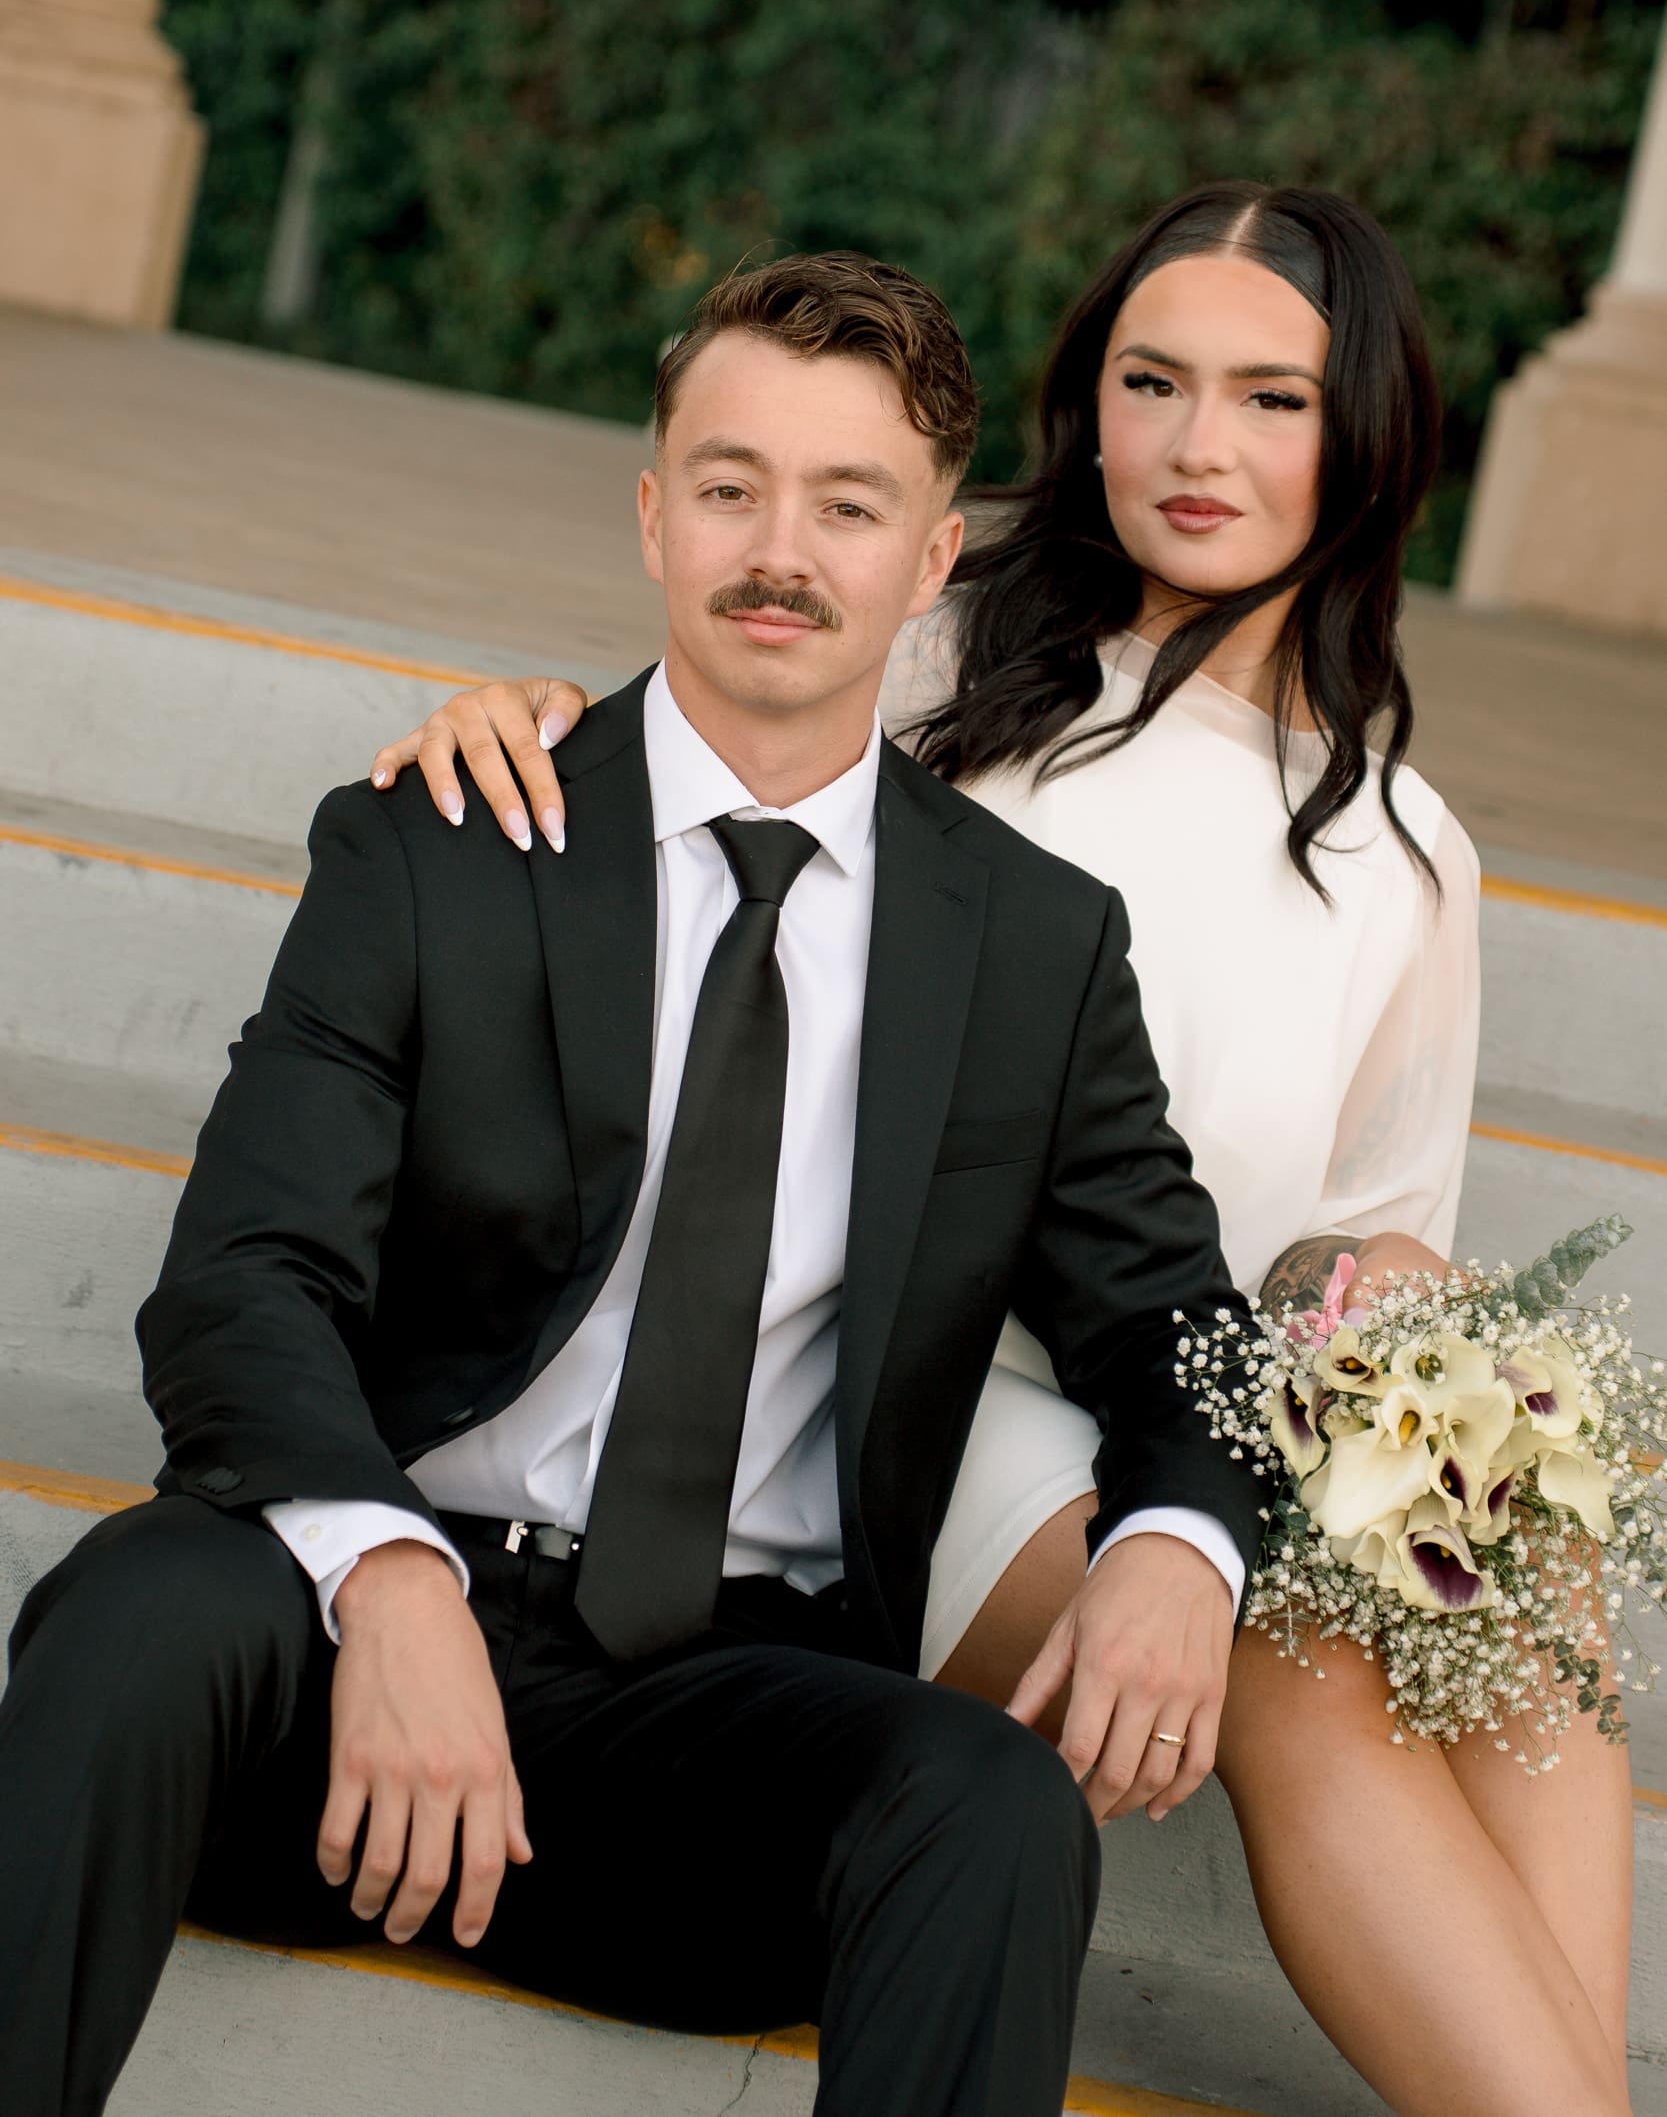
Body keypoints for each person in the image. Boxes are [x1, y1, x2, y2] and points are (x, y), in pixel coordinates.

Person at [378, 186, 1635, 2117]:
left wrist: (1395, 1306)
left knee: (1521, 1566)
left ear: (1365, 430)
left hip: (1185, 1388)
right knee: (1296, 1638)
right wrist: (517, 712)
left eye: (1269, 399)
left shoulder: (1406, 845)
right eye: (1151, 383)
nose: (1199, 449)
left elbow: (1357, 1234)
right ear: (1089, 405)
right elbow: (688, 757)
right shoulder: (947, 655)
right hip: (932, 1392)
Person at [0, 251, 1268, 2117]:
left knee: (991, 1806)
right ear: (654, 509)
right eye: (733, 484)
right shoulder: (444, 840)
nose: (782, 548)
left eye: (850, 504)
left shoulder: (1032, 949)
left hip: (711, 1741)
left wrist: (1180, 1545)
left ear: (932, 559)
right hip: (341, 1654)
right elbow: (240, 1282)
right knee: (132, 1612)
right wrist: (396, 1583)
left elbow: (1173, 1326)